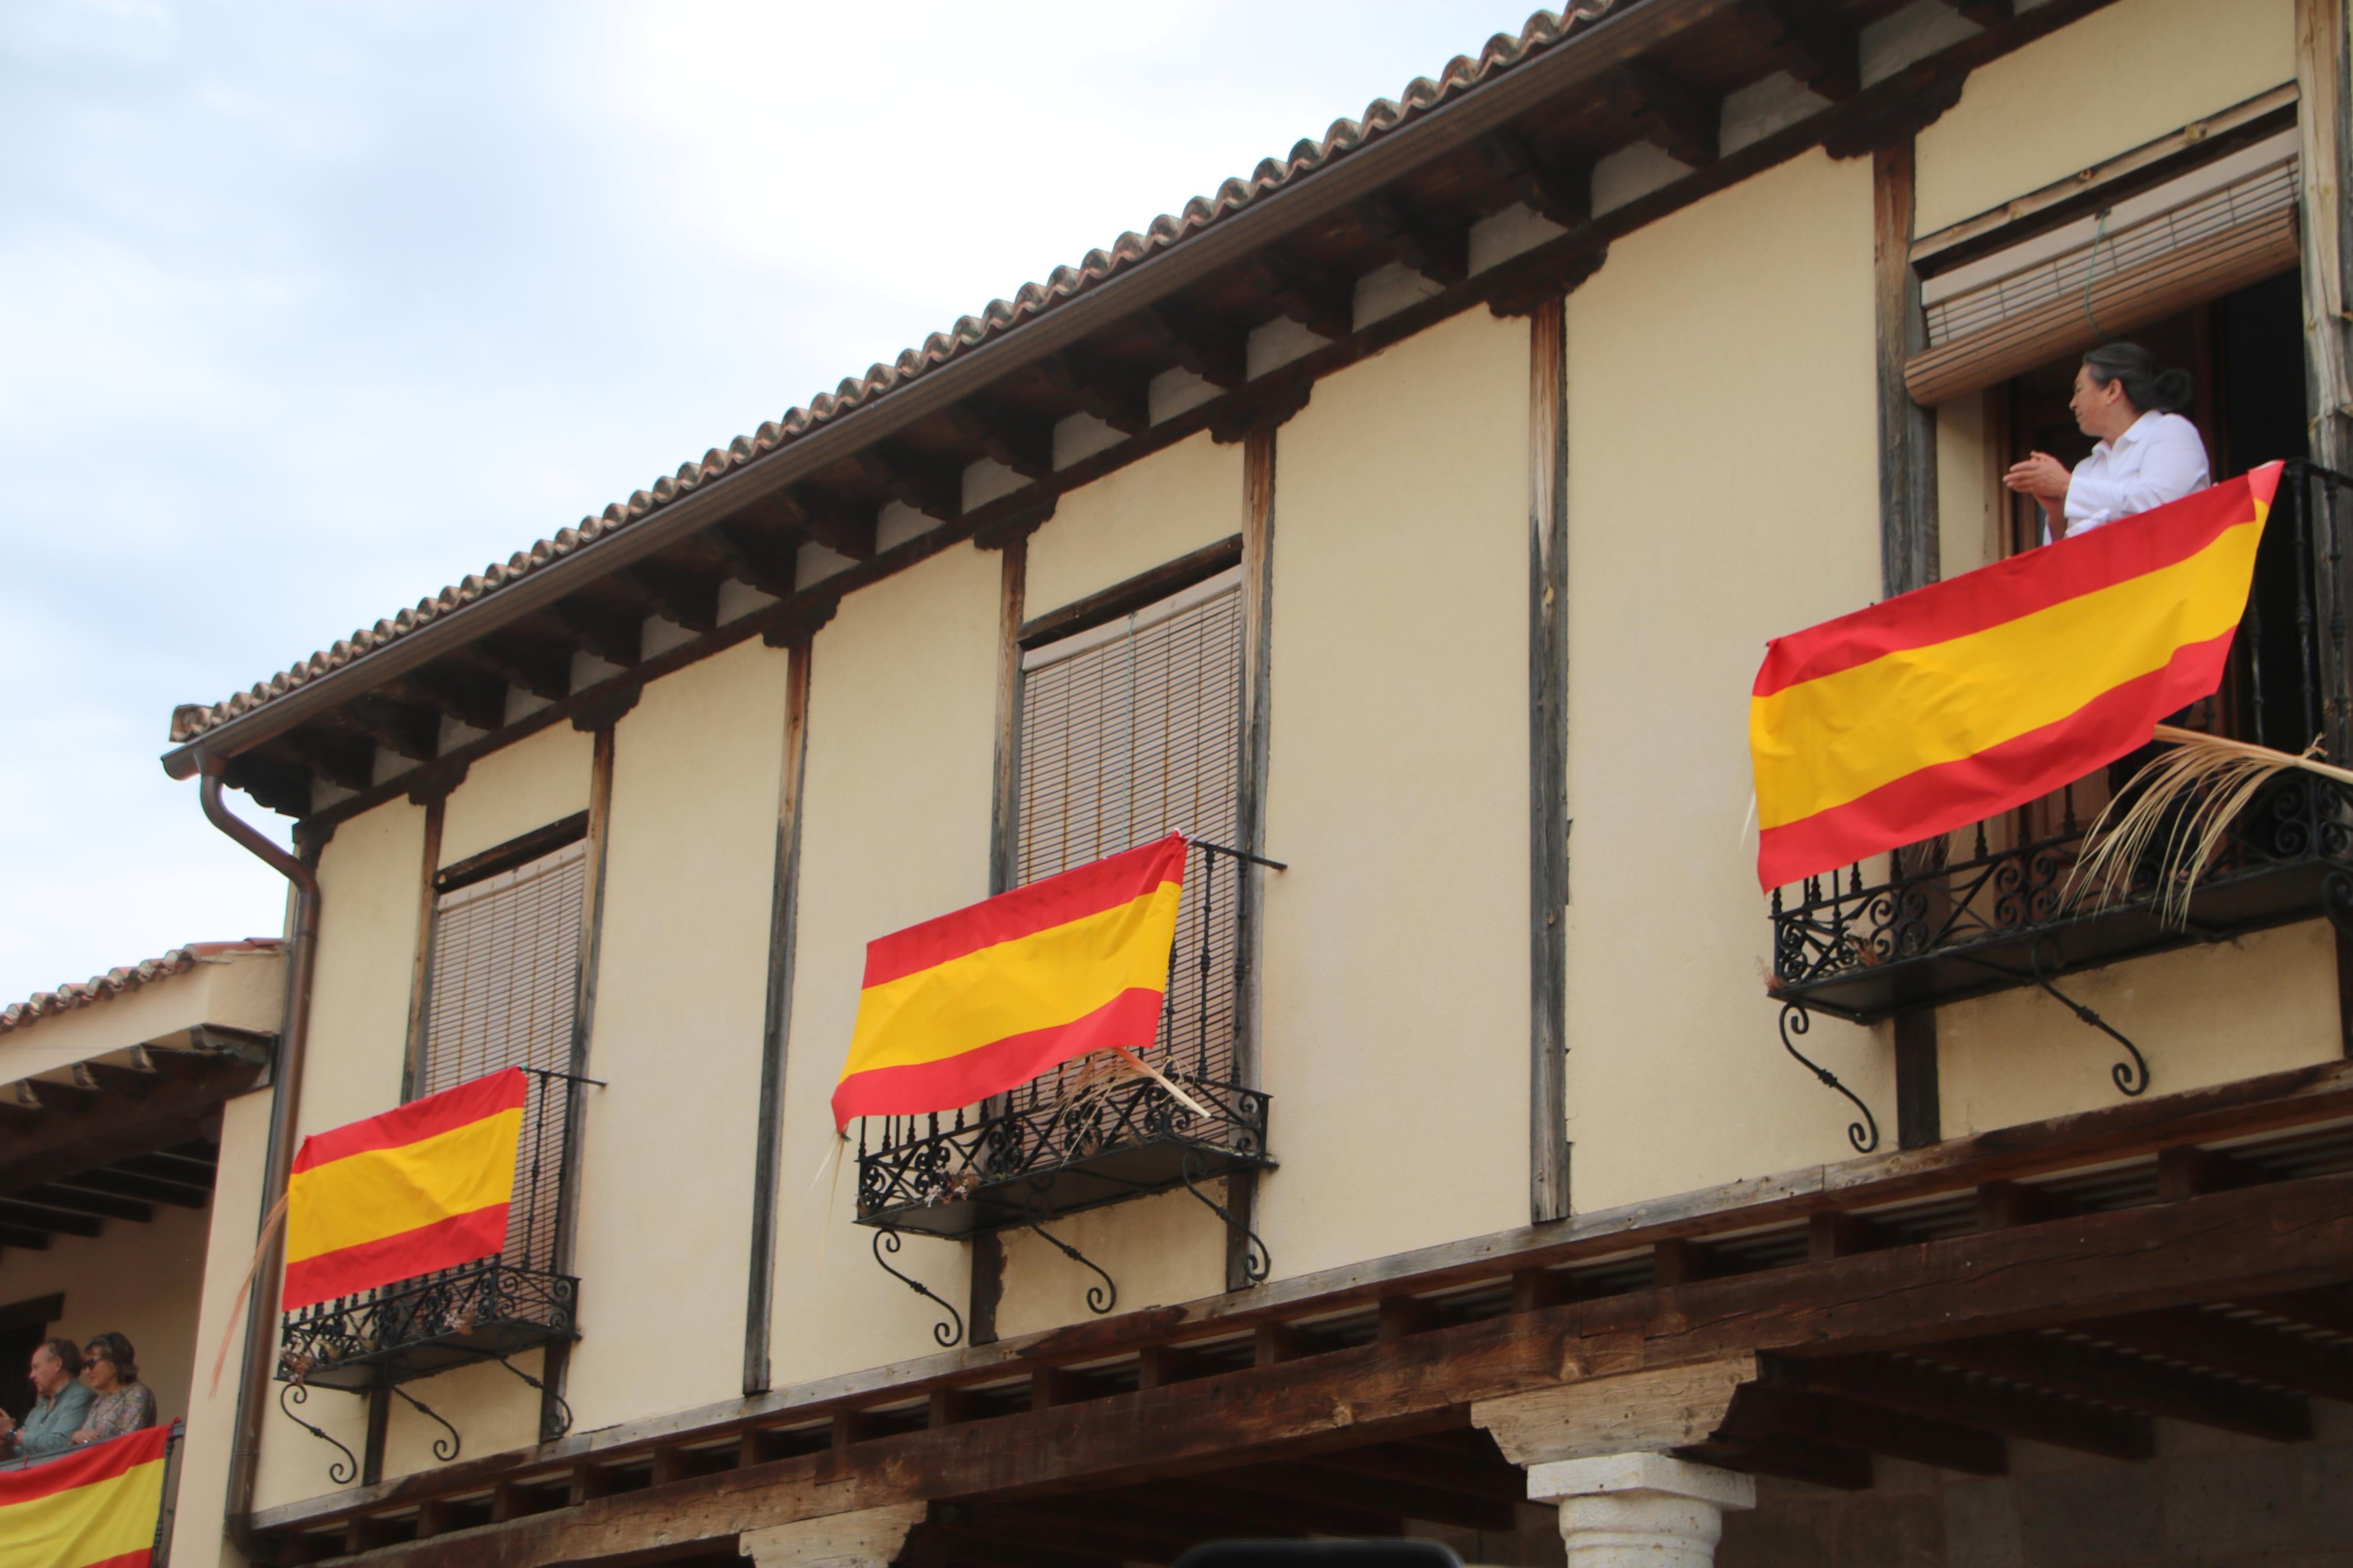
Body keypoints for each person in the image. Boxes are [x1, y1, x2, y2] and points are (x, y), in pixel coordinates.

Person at [2003, 342, 2209, 541]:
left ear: (2112, 391)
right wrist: (2058, 514)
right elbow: (2065, 558)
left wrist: (2067, 487)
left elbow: (2160, 505)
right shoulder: (2085, 469)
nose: (2072, 404)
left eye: (2079, 390)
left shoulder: (2169, 430)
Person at [0, 1339, 94, 1460]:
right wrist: (4, 1442)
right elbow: (17, 1457)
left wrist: (12, 1434)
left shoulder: (81, 1397)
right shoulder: (38, 1410)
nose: (31, 1375)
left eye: (36, 1367)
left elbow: (62, 1444)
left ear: (57, 1364)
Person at [71, 1333, 156, 1445]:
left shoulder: (137, 1394)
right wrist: (76, 1437)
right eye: (85, 1365)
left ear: (114, 1362)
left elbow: (129, 1441)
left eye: (91, 1363)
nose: (87, 1371)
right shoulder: (99, 1402)